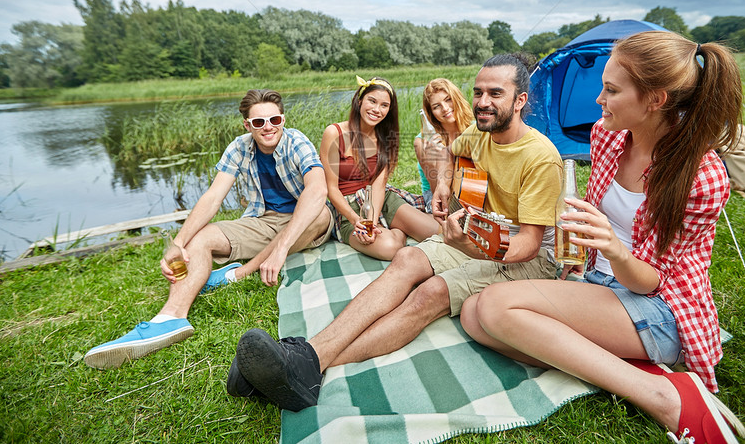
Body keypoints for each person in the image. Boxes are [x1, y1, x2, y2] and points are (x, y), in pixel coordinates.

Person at [226, 53, 563, 411]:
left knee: (429, 293)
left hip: (526, 257)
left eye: (495, 93)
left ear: (520, 99)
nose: (482, 102)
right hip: (478, 236)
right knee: (405, 258)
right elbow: (452, 154)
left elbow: (529, 245)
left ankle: (300, 367)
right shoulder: (478, 135)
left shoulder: (540, 157)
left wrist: (473, 248)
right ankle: (303, 360)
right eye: (478, 92)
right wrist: (444, 186)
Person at [459, 32, 745, 443]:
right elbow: (595, 212)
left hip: (661, 307)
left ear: (655, 100)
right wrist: (583, 251)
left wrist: (613, 247)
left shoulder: (701, 175)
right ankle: (622, 367)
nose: (599, 100)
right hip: (602, 285)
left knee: (495, 307)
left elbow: (655, 281)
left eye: (611, 90)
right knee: (474, 316)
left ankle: (665, 396)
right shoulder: (607, 135)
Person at [84, 89, 333, 370]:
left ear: (283, 119)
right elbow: (213, 198)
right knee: (200, 239)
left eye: (274, 120)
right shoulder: (240, 147)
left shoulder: (296, 141)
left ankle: (240, 271)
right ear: (247, 125)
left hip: (307, 219)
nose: (268, 127)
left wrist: (282, 249)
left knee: (320, 213)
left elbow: (317, 189)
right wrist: (178, 242)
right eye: (259, 122)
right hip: (263, 220)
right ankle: (170, 319)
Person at [319, 75, 439, 261]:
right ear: (360, 101)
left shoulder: (386, 138)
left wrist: (372, 223)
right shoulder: (335, 133)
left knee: (438, 232)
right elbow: (331, 189)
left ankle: (395, 227)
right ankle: (399, 233)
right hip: (348, 209)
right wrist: (359, 222)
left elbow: (378, 186)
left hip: (379, 200)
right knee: (390, 248)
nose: (377, 109)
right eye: (372, 101)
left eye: (384, 105)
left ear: (389, 110)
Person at [413, 78, 472, 211]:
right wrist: (435, 160)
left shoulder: (474, 129)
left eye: (448, 99)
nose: (445, 108)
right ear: (431, 113)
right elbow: (437, 192)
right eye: (436, 106)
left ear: (456, 98)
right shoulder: (423, 142)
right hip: (438, 200)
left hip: (469, 193)